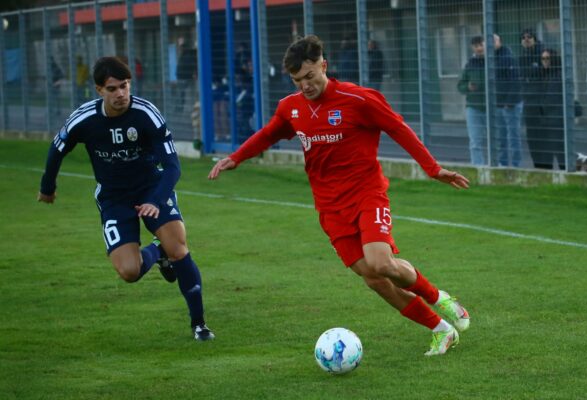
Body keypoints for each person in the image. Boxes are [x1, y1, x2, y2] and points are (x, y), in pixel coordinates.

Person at [209, 35, 471, 356]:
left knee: (381, 262)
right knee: (373, 279)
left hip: (367, 194)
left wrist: (433, 169)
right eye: (297, 80)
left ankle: (438, 297)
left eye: (309, 77)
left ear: (324, 65)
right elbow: (269, 134)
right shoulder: (290, 108)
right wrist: (236, 157)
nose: (305, 86)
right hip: (330, 208)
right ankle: (440, 329)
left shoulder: (358, 99)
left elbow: (399, 128)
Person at [37, 56, 214, 341]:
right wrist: (47, 187)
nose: (121, 93)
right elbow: (57, 149)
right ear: (99, 90)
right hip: (114, 197)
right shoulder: (84, 119)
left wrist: (155, 200)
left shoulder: (146, 114)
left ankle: (199, 324)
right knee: (129, 271)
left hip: (151, 188)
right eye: (112, 88)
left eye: (125, 86)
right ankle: (158, 252)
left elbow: (172, 166)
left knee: (179, 246)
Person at [530, 49, 565, 169]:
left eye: (547, 58)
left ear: (554, 59)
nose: (544, 61)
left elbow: (552, 97)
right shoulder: (542, 74)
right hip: (544, 118)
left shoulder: (559, 74)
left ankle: (565, 172)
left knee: (559, 149)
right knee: (545, 150)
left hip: (555, 118)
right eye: (543, 59)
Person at [493, 34, 523, 167]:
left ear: (500, 41)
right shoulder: (489, 59)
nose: (491, 43)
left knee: (513, 137)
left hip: (511, 104)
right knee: (501, 137)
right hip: (497, 104)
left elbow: (515, 81)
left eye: (494, 40)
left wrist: (509, 102)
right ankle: (502, 163)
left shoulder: (508, 57)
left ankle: (516, 165)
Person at [458, 36, 487, 165]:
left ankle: (498, 167)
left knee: (497, 140)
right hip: (473, 106)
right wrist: (468, 87)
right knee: (475, 141)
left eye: (481, 45)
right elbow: (460, 86)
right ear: (473, 48)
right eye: (476, 46)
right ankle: (478, 168)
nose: (479, 48)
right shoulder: (470, 64)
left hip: (492, 106)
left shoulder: (493, 61)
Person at [518, 28, 544, 167]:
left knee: (546, 136)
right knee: (532, 137)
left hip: (542, 102)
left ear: (535, 39)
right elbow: (522, 77)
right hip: (528, 101)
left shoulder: (542, 54)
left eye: (529, 37)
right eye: (523, 37)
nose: (526, 39)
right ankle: (538, 166)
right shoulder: (522, 57)